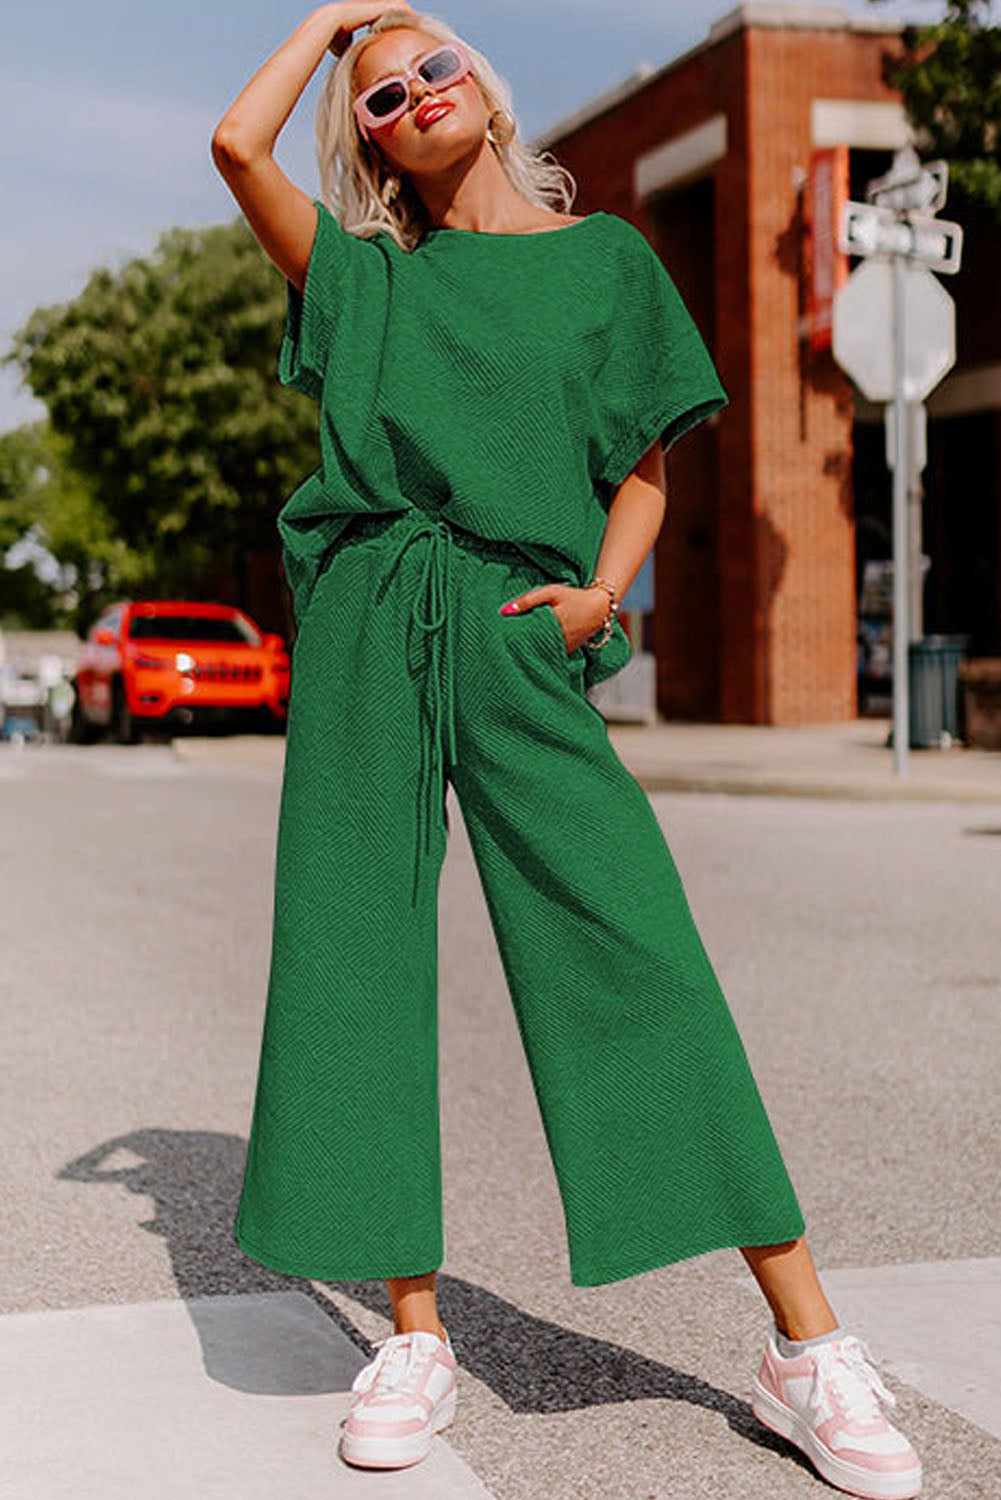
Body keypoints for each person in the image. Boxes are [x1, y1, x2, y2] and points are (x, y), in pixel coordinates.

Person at [211, 6, 922, 1495]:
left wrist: (599, 598)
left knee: (631, 944)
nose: (412, 95)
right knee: (355, 956)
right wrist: (332, 22)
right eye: (383, 95)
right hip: (369, 616)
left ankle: (801, 1342)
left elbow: (644, 470)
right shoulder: (365, 278)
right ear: (371, 142)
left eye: (432, 66)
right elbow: (233, 143)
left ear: (482, 82)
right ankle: (411, 1330)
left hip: (524, 618)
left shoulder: (605, 261)